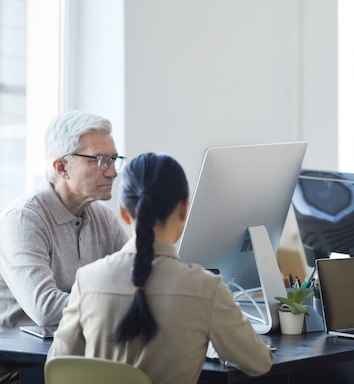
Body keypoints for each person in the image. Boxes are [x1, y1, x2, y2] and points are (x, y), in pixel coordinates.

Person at [47, 153, 273, 383]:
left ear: (123, 212)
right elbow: (259, 363)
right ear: (185, 208)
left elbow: (58, 364)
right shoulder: (205, 288)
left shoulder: (88, 280)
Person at [0, 111, 129, 383]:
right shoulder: (24, 218)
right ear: (61, 167)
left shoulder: (102, 216)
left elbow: (140, 278)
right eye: (101, 160)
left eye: (114, 159)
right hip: (21, 367)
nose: (113, 171)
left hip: (77, 352)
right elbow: (45, 309)